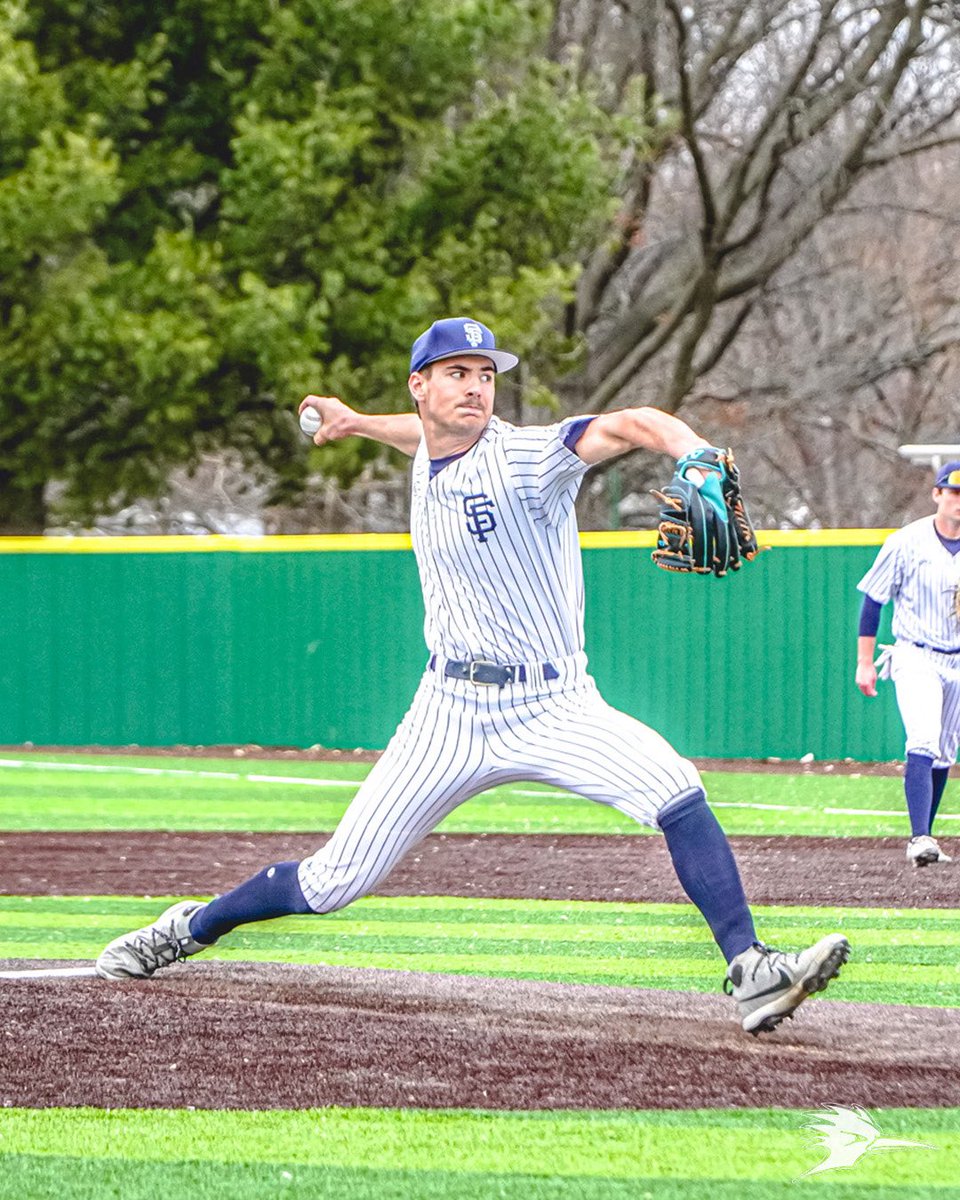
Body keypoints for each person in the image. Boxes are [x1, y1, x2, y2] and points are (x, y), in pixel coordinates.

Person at [96, 316, 849, 1034]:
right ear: (420, 386)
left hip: (555, 703)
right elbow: (416, 436)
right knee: (330, 883)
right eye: (457, 373)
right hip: (447, 712)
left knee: (676, 790)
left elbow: (630, 424)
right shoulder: (427, 447)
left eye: (485, 375)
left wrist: (694, 453)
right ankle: (185, 928)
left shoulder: (526, 457)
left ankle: (751, 969)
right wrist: (357, 422)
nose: (476, 388)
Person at [856, 460, 960, 866]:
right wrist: (865, 662)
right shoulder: (907, 541)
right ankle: (918, 837)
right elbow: (873, 600)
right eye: (952, 493)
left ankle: (927, 840)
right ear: (936, 494)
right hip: (915, 652)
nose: (958, 501)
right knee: (922, 738)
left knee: (945, 752)